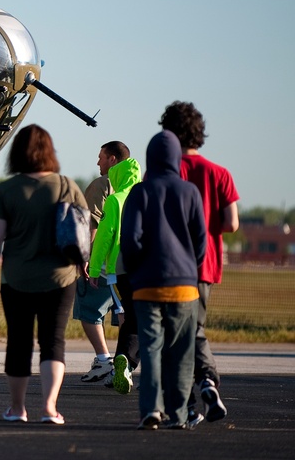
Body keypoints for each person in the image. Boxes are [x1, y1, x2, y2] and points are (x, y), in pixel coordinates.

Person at [0, 124, 82, 425]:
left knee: (19, 342)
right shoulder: (68, 186)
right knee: (54, 342)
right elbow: (83, 231)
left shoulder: (6, 190)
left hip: (17, 278)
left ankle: (17, 409)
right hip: (61, 278)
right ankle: (50, 409)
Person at [159, 101, 239, 427]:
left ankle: (190, 400)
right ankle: (205, 384)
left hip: (168, 267)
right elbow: (231, 223)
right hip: (204, 267)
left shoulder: (163, 172)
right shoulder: (219, 174)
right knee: (194, 328)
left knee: (171, 336)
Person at [121, 130, 207, 430]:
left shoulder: (139, 193)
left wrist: (136, 272)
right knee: (181, 354)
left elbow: (129, 241)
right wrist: (188, 268)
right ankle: (179, 414)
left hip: (146, 285)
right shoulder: (190, 192)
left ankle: (151, 410)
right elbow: (200, 243)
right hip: (184, 287)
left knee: (151, 349)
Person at [86, 145, 142, 394]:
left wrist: (95, 268)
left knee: (127, 316)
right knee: (142, 318)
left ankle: (123, 364)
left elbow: (104, 237)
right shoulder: (147, 195)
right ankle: (130, 365)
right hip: (151, 268)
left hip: (120, 269)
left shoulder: (115, 199)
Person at [76, 142, 133, 384]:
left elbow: (94, 225)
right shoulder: (137, 187)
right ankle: (125, 362)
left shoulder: (103, 185)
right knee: (124, 315)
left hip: (104, 262)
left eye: (100, 157)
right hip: (129, 263)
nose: (97, 162)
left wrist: (85, 258)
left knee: (87, 310)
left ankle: (103, 360)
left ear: (112, 160)